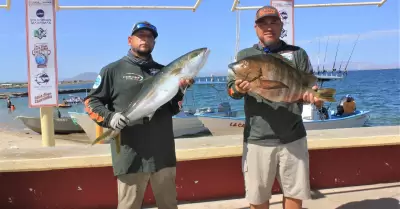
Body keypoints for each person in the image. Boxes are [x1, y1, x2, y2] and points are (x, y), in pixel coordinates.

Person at [84, 21, 193, 209]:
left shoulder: (164, 71)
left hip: (163, 154)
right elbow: (91, 102)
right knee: (129, 206)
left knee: (169, 205)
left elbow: (173, 108)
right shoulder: (112, 70)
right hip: (130, 155)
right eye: (140, 35)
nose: (145, 39)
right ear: (130, 40)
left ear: (154, 43)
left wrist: (181, 91)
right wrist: (110, 118)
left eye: (150, 36)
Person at [226, 6, 319, 209]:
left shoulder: (297, 54)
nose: (268, 27)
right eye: (263, 23)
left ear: (281, 25)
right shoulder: (246, 55)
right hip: (258, 138)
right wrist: (239, 90)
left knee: (294, 194)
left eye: (273, 22)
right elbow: (231, 92)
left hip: (293, 136)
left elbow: (306, 86)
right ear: (255, 27)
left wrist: (311, 96)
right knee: (258, 199)